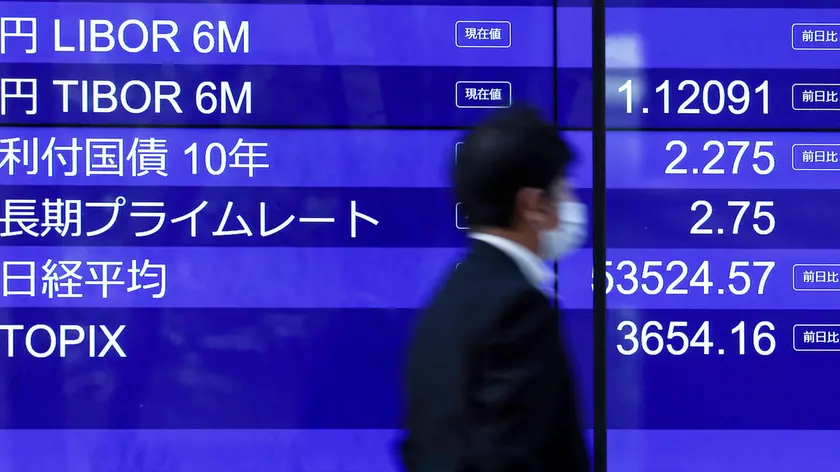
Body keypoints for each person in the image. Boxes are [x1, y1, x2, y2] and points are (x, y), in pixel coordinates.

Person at [400, 105, 590, 472]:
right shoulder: (517, 307)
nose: (572, 203)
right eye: (564, 188)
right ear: (532, 205)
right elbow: (515, 458)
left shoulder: (449, 299)